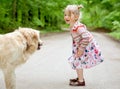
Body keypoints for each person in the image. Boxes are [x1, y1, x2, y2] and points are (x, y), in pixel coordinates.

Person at [64, 4, 104, 86]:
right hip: (81, 45)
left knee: (78, 62)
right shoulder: (73, 25)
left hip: (85, 46)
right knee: (78, 61)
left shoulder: (78, 27)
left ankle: (81, 81)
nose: (66, 17)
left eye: (69, 15)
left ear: (76, 17)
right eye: (65, 15)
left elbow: (86, 37)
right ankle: (79, 77)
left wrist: (81, 49)